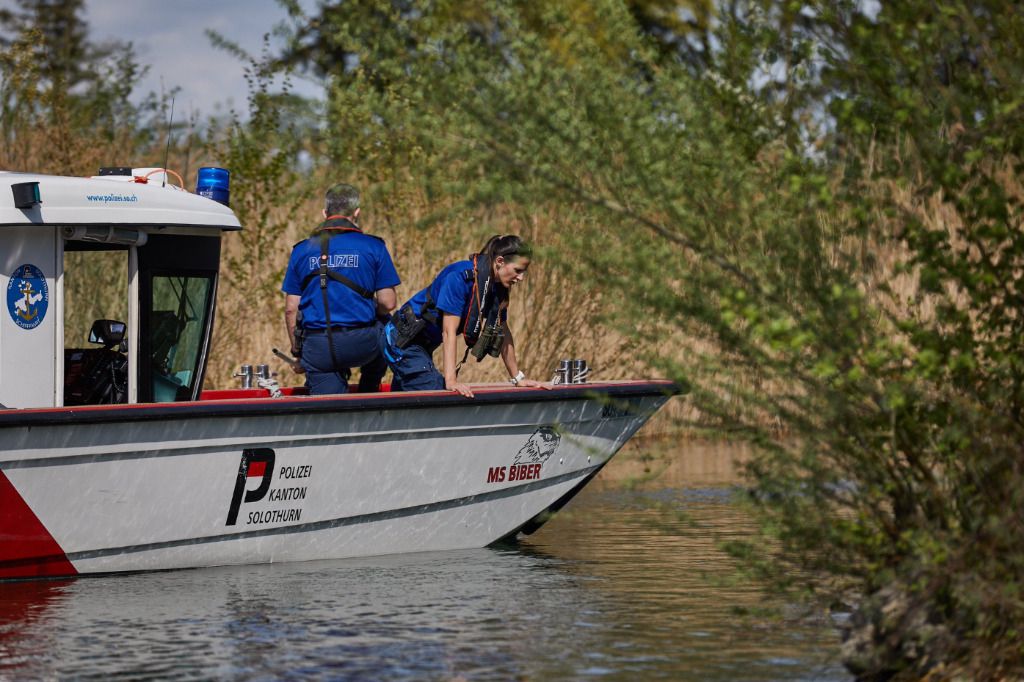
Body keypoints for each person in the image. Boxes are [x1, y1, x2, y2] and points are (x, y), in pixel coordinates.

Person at [380, 234, 548, 398]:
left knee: (407, 403)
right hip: (400, 341)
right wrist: (451, 381)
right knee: (437, 394)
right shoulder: (460, 277)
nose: (521, 278)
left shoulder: (496, 289)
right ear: (500, 262)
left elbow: (503, 332)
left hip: (422, 347)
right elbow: (448, 331)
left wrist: (519, 378)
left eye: (524, 272)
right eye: (518, 271)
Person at [281, 183, 400, 394]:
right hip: (363, 344)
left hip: (318, 348)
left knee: (328, 406)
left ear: (325, 213)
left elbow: (291, 308)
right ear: (357, 212)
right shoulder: (374, 246)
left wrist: (298, 352)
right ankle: (369, 391)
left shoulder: (301, 250)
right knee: (388, 325)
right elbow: (388, 303)